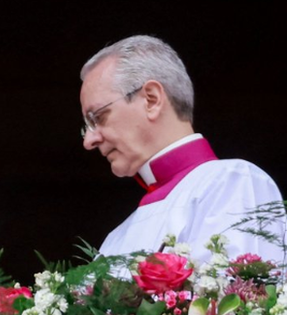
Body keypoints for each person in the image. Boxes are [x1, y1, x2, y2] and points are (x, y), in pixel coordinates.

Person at [79, 35, 284, 264]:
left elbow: (242, 296)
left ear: (151, 99)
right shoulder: (115, 239)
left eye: (98, 117)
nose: (89, 140)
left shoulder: (233, 182)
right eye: (87, 126)